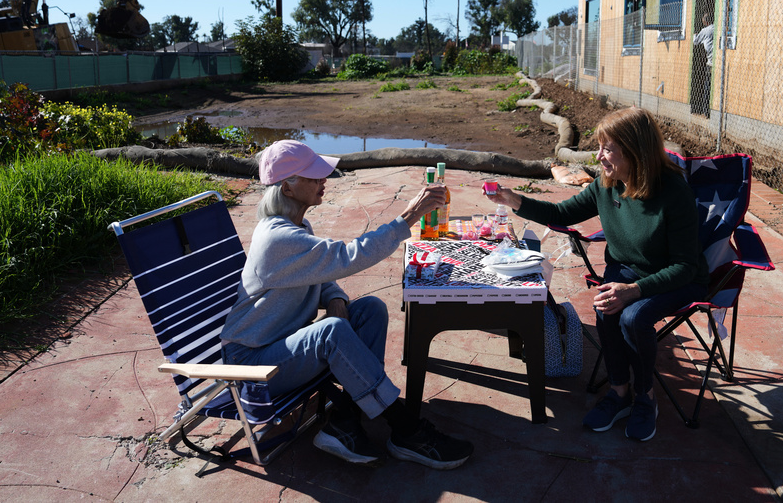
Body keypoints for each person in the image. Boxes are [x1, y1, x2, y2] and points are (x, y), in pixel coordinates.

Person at [220, 139, 473, 469]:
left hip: (279, 349)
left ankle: (344, 421)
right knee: (331, 333)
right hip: (251, 365)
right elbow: (347, 256)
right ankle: (404, 427)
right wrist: (411, 215)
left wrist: (336, 298)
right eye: (314, 177)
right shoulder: (277, 238)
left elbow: (320, 273)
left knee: (370, 310)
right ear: (288, 187)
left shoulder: (296, 226)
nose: (323, 180)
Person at [484, 107, 708, 442]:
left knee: (634, 317)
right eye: (599, 147)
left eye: (607, 148)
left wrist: (634, 289)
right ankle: (619, 393)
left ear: (634, 151)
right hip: (627, 269)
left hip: (674, 277)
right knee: (607, 309)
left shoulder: (673, 193)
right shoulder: (607, 184)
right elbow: (562, 212)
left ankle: (646, 397)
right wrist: (514, 199)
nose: (599, 156)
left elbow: (686, 266)